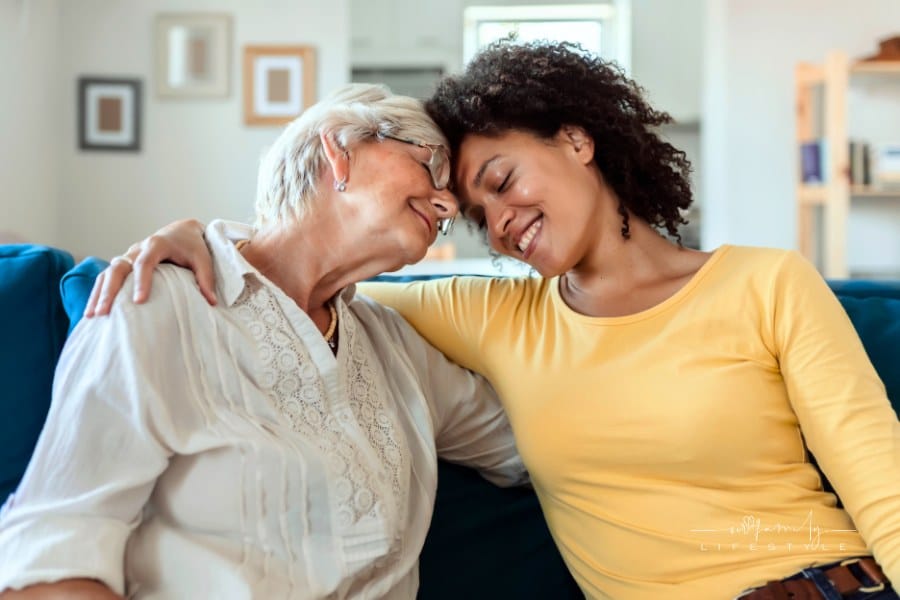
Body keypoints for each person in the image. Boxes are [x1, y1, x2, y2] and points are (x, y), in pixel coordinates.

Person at [84, 41, 900, 599]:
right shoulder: (498, 315)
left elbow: (886, 493)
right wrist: (197, 235)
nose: (499, 220)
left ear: (578, 140)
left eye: (504, 180)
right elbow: (299, 271)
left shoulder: (768, 284)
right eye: (475, 214)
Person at [0, 84, 528, 600]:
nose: (447, 208)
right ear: (338, 150)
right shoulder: (158, 302)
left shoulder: (398, 348)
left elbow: (532, 446)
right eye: (432, 166)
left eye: (456, 205)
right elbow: (52, 556)